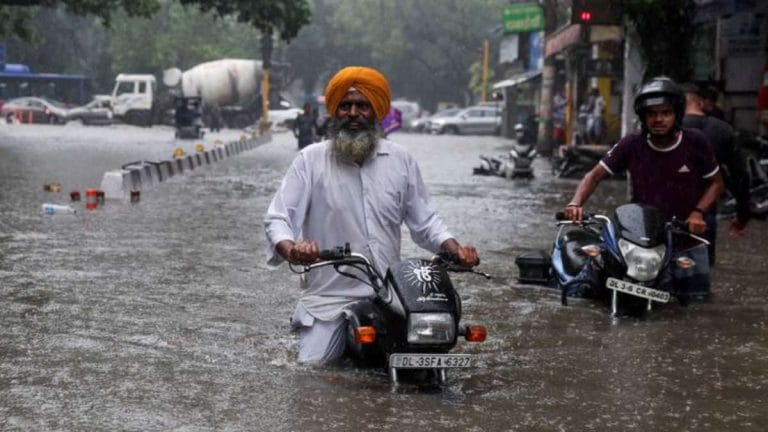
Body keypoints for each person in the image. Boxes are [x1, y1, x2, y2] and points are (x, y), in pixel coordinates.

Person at [264, 66, 480, 365]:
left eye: (362, 105)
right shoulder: (310, 160)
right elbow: (278, 218)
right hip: (330, 299)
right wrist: (293, 249)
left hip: (392, 297)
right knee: (313, 370)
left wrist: (457, 250)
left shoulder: (401, 160)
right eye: (345, 105)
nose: (353, 113)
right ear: (334, 111)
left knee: (431, 355)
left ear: (376, 111)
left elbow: (427, 222)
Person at [563, 77, 725, 299]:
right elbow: (594, 176)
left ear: (676, 114)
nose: (658, 119)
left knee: (697, 306)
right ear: (643, 117)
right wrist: (575, 203)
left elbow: (716, 183)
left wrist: (698, 213)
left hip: (685, 240)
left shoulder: (695, 142)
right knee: (610, 296)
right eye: (652, 114)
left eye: (665, 113)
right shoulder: (631, 144)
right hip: (641, 242)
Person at [682, 82, 751, 266]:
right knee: (702, 275)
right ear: (701, 103)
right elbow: (741, 175)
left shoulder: (663, 130)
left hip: (665, 213)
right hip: (705, 214)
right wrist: (743, 214)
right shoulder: (722, 130)